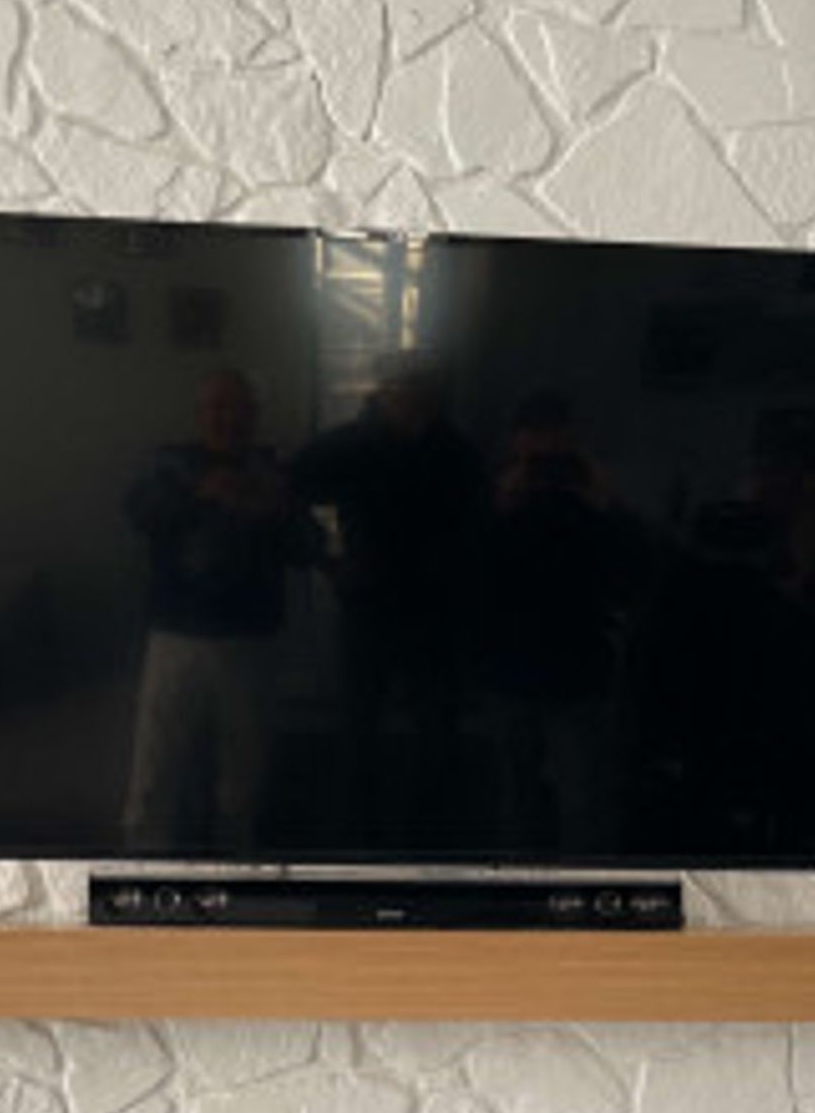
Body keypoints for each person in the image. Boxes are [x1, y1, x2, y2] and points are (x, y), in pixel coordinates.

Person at [292, 351, 489, 847]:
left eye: (424, 387)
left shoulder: (457, 453)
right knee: (363, 732)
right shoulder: (353, 447)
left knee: (434, 735)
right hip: (373, 608)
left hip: (433, 612)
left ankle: (426, 843)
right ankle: (363, 840)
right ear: (384, 392)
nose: (416, 397)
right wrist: (327, 559)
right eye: (406, 388)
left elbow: (481, 526)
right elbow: (287, 494)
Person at [122, 367, 312, 853]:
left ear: (255, 415)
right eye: (217, 407)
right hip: (176, 636)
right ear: (199, 414)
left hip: (250, 639)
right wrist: (198, 492)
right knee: (154, 769)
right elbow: (137, 514)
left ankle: (237, 868)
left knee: (243, 774)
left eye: (240, 407)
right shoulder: (169, 465)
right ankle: (143, 874)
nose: (229, 418)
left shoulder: (276, 470)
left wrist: (271, 510)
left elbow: (308, 547)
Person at [483, 391, 648, 854]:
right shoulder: (499, 498)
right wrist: (498, 509)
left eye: (555, 435)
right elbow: (468, 572)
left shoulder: (591, 501)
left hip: (575, 668)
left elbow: (636, 568)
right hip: (514, 665)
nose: (545, 448)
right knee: (518, 796)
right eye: (534, 435)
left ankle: (581, 894)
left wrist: (606, 505)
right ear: (516, 441)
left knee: (582, 800)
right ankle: (514, 890)